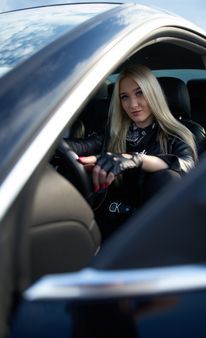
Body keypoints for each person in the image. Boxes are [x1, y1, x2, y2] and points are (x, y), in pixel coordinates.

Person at [66, 64, 197, 239]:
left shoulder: (177, 134)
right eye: (124, 97)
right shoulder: (114, 133)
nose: (133, 104)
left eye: (139, 92)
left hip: (151, 231)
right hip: (108, 224)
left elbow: (187, 165)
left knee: (167, 177)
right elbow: (81, 146)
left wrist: (135, 159)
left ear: (153, 93)